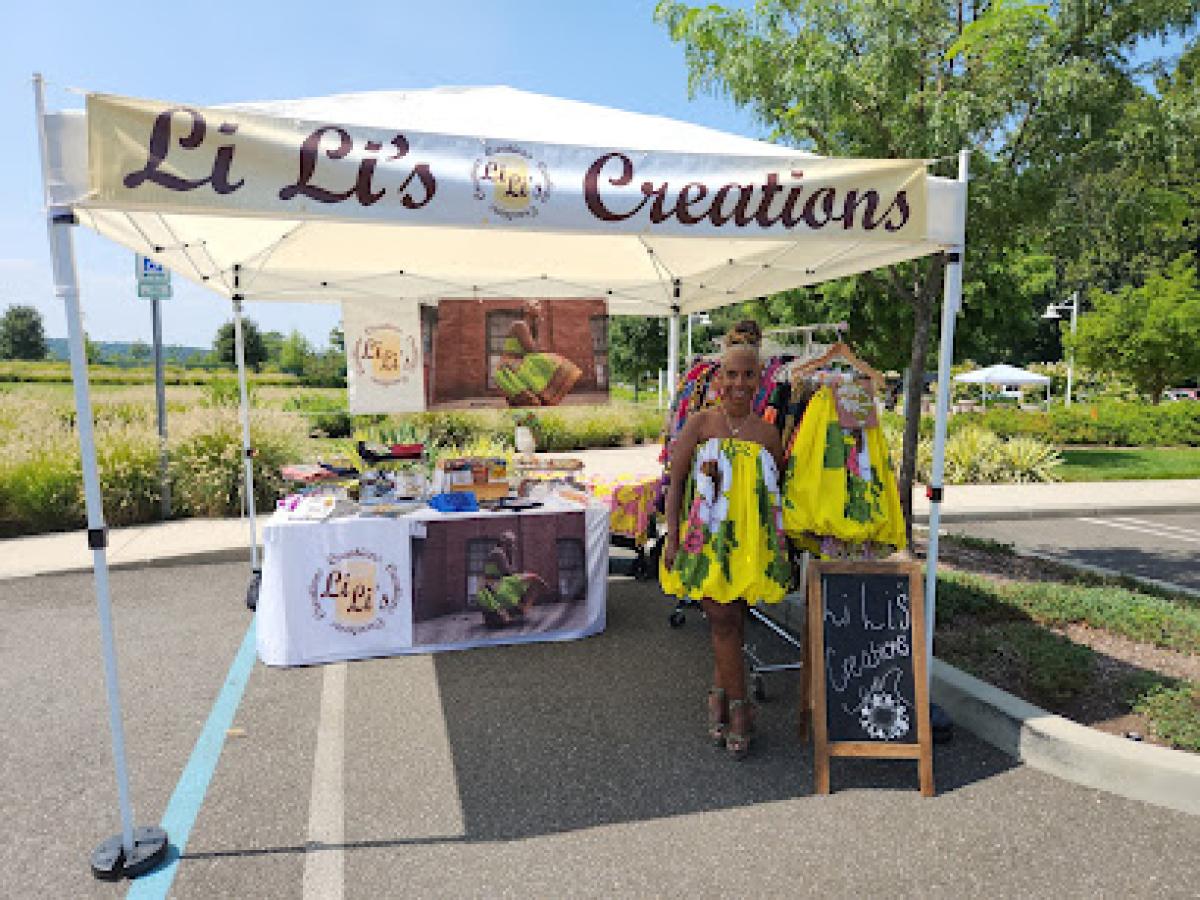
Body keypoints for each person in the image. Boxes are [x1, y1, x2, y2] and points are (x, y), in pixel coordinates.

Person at [660, 320, 791, 759]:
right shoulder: (699, 424)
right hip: (705, 544)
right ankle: (741, 710)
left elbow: (773, 496)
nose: (738, 383)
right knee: (720, 621)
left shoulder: (769, 434)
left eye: (747, 375)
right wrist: (671, 538)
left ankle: (717, 695)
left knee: (732, 624)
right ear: (718, 378)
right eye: (731, 374)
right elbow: (675, 484)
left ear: (760, 379)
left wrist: (779, 548)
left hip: (749, 547)